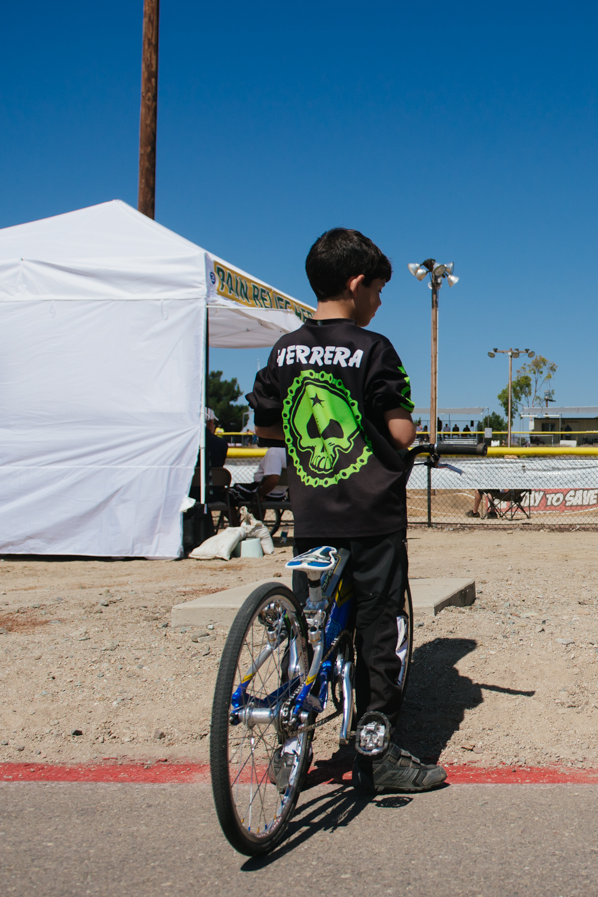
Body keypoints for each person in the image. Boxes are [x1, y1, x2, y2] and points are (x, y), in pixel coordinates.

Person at [246, 227, 442, 794]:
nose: (379, 302)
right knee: (381, 626)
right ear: (357, 285)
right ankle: (378, 753)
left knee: (309, 627)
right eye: (378, 291)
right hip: (370, 516)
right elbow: (401, 432)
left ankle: (292, 735)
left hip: (312, 517)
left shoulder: (284, 349)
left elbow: (265, 426)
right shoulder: (373, 348)